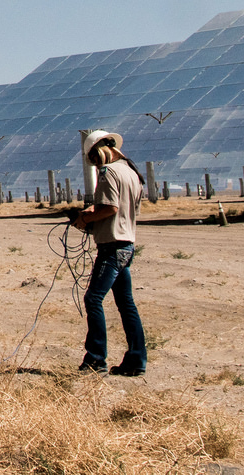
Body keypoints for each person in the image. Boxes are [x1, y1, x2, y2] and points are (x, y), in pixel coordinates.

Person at [70, 129, 147, 376]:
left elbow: (110, 208)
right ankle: (136, 360)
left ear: (100, 151)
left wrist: (84, 218)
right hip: (127, 244)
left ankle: (95, 358)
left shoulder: (109, 171)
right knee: (126, 304)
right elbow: (122, 207)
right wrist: (94, 213)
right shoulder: (132, 173)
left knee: (93, 299)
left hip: (112, 246)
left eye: (93, 158)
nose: (94, 164)